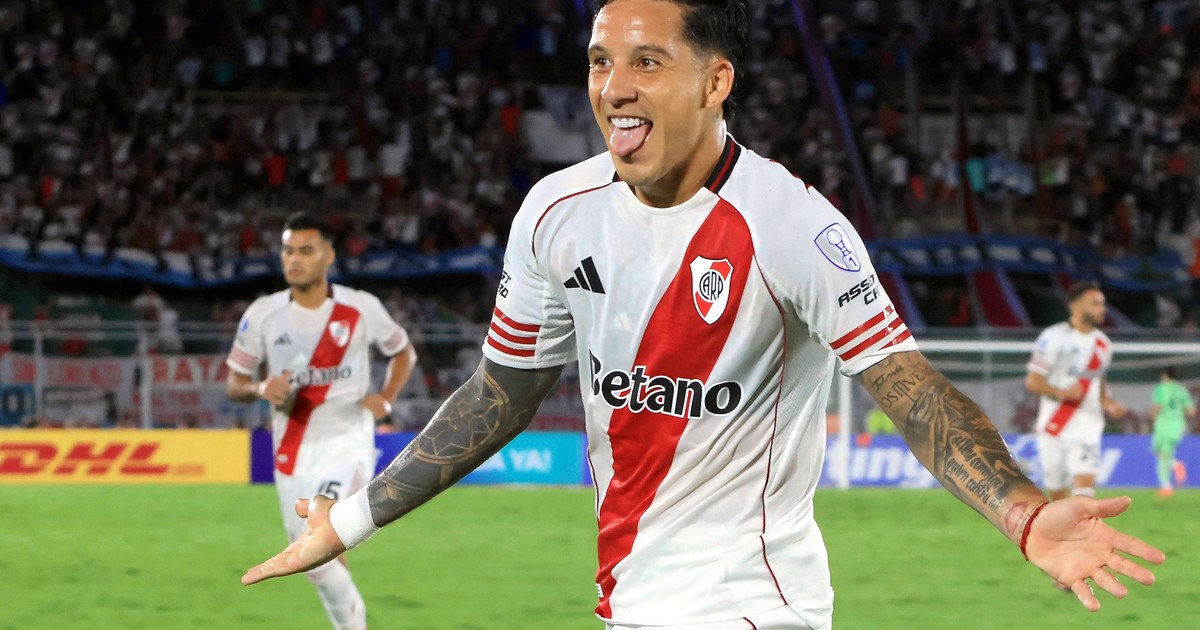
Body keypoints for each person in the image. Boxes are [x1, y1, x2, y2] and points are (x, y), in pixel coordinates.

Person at [242, 2, 1165, 627]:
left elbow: (908, 388)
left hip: (750, 603)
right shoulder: (555, 213)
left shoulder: (792, 227)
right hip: (632, 598)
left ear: (716, 81)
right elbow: (500, 392)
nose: (615, 86)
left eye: (648, 61)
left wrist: (1021, 512)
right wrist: (351, 522)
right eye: (601, 61)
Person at [226, 211, 417, 630]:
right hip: (292, 455)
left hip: (348, 445)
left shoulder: (361, 308)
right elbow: (235, 383)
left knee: (323, 536)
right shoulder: (263, 314)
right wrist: (261, 388)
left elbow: (403, 352)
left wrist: (386, 397)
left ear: (329, 255)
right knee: (315, 560)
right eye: (288, 251)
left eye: (306, 250)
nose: (294, 259)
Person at [1025, 281, 1128, 500]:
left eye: (1102, 304)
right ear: (1076, 306)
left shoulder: (1103, 344)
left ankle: (1084, 523)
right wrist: (1061, 392)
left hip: (1088, 425)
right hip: (1054, 424)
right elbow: (1033, 382)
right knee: (1057, 494)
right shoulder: (1052, 338)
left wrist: (1109, 403)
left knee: (1085, 492)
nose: (1102, 309)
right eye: (1095, 304)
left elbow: (1099, 381)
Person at [1149, 366, 1193, 497]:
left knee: (1162, 454)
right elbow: (1191, 411)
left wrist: (1151, 416)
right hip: (1178, 425)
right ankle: (1175, 464)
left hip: (1163, 424)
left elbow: (1158, 405)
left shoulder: (1161, 388)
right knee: (1160, 451)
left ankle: (1166, 486)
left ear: (1165, 375)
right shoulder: (1182, 390)